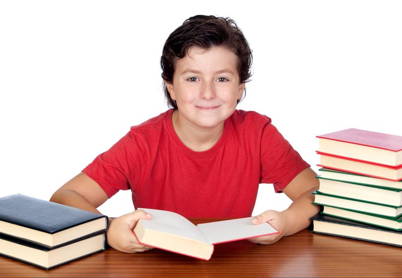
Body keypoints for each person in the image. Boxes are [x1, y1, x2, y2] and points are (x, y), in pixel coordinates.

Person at [50, 15, 319, 253]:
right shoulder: (143, 142)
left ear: (240, 88)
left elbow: (316, 193)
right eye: (192, 78)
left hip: (232, 266)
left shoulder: (258, 133)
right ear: (171, 88)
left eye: (222, 79)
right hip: (156, 267)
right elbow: (65, 197)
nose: (207, 93)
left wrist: (285, 222)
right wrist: (108, 229)